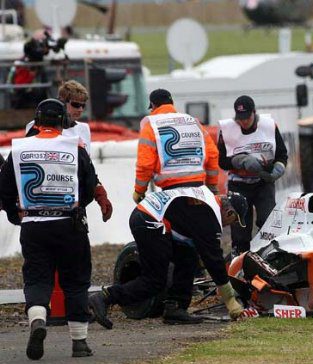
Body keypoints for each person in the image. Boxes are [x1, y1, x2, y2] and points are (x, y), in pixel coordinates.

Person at [0, 99, 98, 360]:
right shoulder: (74, 147)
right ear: (64, 122)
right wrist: (79, 206)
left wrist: (14, 214)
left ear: (37, 120)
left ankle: (38, 319)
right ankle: (79, 343)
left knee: (37, 279)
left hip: (33, 225)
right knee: (76, 281)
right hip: (69, 224)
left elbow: (5, 187)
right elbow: (89, 184)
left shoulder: (19, 148)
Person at [88, 187, 255, 328]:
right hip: (151, 220)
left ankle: (175, 308)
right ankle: (105, 297)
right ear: (230, 211)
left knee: (188, 256)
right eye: (233, 221)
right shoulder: (209, 215)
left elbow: (201, 248)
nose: (228, 225)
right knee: (155, 281)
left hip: (149, 214)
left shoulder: (206, 199)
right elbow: (214, 260)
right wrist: (230, 299)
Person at [128, 88, 220, 323]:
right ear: (172, 103)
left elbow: (145, 163)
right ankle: (177, 304)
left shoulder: (151, 123)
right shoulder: (193, 121)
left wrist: (139, 191)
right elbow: (212, 155)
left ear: (153, 106)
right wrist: (211, 188)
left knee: (174, 247)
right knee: (190, 247)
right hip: (197, 193)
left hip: (169, 196)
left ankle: (165, 299)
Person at [25, 80, 113, 222]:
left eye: (83, 105)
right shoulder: (36, 127)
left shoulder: (83, 129)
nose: (80, 109)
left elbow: (87, 167)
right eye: (75, 104)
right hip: (45, 198)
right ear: (62, 102)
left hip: (75, 201)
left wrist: (99, 192)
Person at [217, 95, 288, 254]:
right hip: (238, 183)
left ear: (254, 113)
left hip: (263, 182)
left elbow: (282, 155)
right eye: (240, 118)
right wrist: (239, 160)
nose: (243, 122)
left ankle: (269, 255)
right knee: (241, 227)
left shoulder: (269, 126)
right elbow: (222, 161)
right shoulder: (227, 131)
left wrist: (278, 168)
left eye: (247, 117)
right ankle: (240, 258)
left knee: (267, 221)